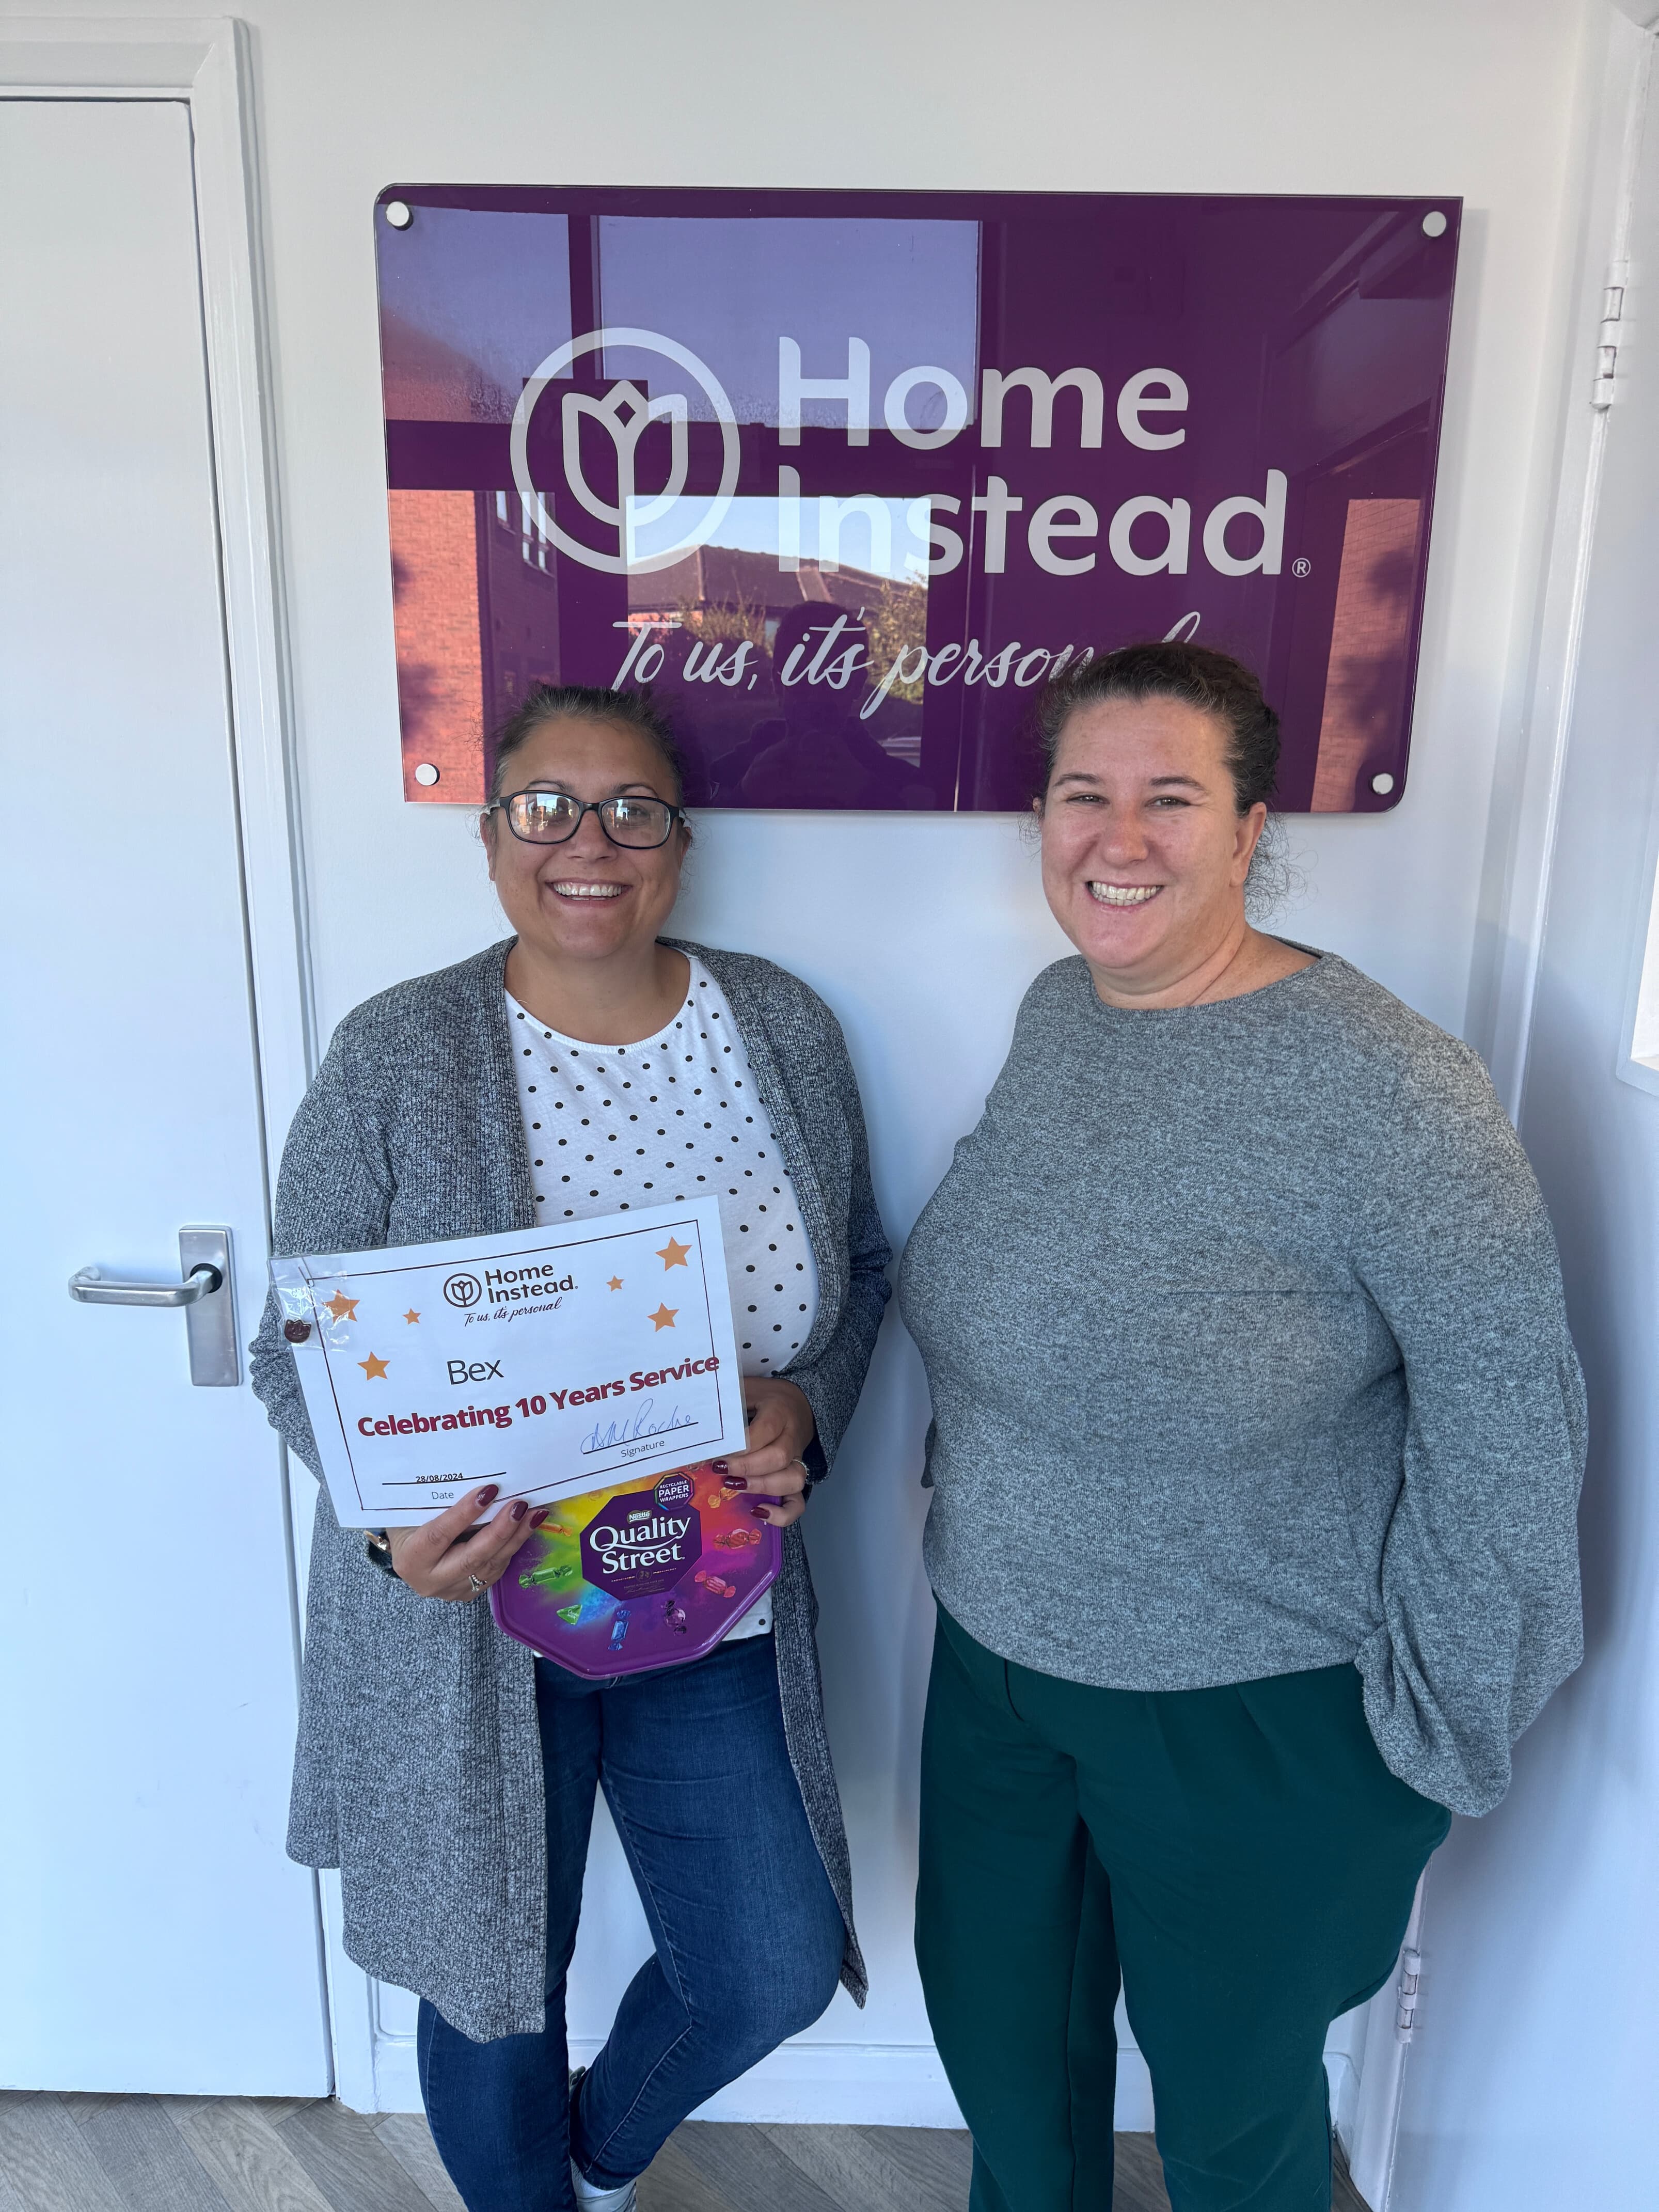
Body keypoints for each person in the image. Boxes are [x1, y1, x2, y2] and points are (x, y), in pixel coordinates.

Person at [897, 642, 1586, 2212]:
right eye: (1085, 794)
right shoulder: (1062, 1013)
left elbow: (1512, 1423)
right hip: (998, 1668)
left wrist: (1429, 1731)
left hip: (1250, 1709)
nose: (1116, 840)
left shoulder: (1394, 1088)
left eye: (1169, 799)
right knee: (1008, 2075)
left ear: (1251, 825)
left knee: (1231, 2125)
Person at [250, 685, 890, 2212]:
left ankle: (593, 2165)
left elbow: (857, 1271)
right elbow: (308, 1346)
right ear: (490, 840)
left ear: (680, 842)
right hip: (473, 1631)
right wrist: (381, 1534)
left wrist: (809, 1405)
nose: (588, 842)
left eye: (633, 809)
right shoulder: (399, 1051)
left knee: (771, 1965)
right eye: (547, 806)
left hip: (709, 1608)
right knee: (492, 1991)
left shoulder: (780, 1026)